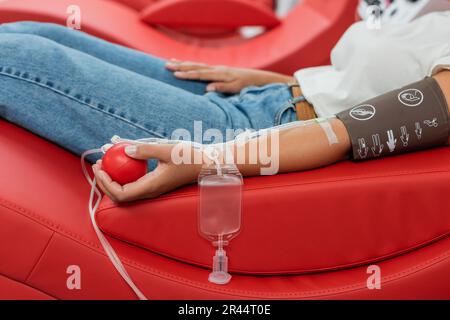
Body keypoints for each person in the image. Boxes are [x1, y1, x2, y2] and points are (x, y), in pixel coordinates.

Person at [0, 11, 449, 202]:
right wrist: (266, 80)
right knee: (41, 34)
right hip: (268, 100)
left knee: (16, 60)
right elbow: (359, 89)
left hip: (251, 135)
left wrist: (208, 160)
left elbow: (341, 134)